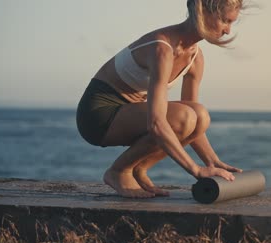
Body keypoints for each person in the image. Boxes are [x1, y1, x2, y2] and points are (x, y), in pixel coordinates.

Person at [76, 0, 248, 198]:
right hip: (98, 115)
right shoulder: (162, 48)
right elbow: (157, 124)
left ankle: (138, 168)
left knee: (200, 114)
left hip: (130, 112)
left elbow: (195, 128)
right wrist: (195, 170)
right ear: (203, 12)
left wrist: (212, 162)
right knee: (185, 116)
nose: (227, 31)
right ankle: (118, 171)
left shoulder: (195, 57)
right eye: (225, 21)